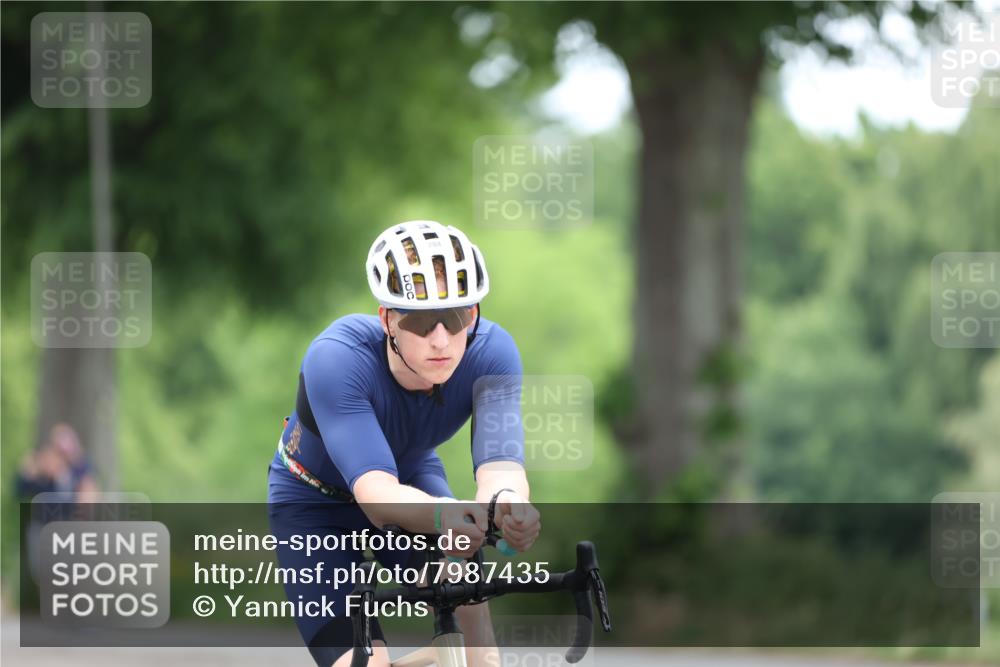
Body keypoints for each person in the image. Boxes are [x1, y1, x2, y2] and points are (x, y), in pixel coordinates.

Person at [267, 220, 541, 667]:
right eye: (419, 320)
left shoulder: (493, 354)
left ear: (473, 314)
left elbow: (500, 469)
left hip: (412, 477)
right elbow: (376, 495)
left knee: (470, 606)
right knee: (364, 662)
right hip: (313, 503)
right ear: (387, 319)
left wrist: (509, 508)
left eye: (456, 318)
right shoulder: (336, 358)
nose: (440, 340)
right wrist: (447, 513)